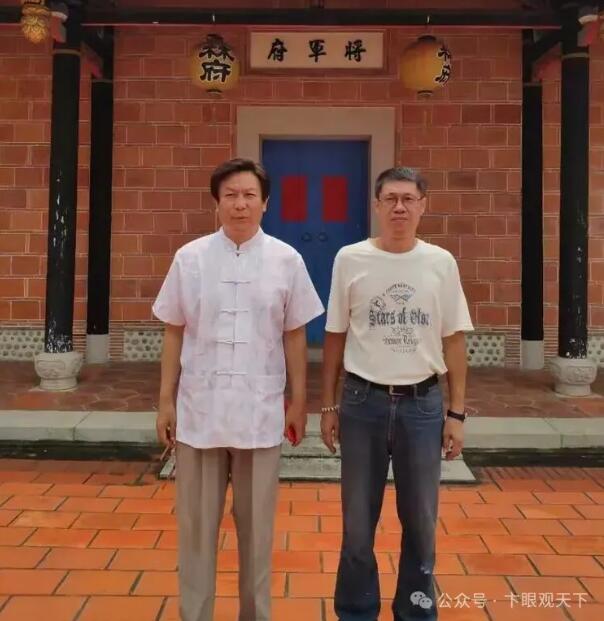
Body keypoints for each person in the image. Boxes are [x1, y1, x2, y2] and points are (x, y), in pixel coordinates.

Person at [153, 158, 324, 621]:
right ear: (216, 202)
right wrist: (166, 401)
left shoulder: (287, 260)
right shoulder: (189, 258)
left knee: (257, 531)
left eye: (250, 195)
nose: (240, 204)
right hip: (200, 411)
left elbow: (295, 334)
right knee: (196, 530)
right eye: (230, 195)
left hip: (259, 411)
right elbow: (173, 330)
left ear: (265, 203)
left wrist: (299, 401)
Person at [320, 166, 473, 621]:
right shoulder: (350, 258)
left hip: (422, 407)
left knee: (421, 521)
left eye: (409, 199)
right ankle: (356, 610)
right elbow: (334, 335)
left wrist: (456, 413)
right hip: (361, 403)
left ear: (424, 205)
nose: (400, 207)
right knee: (357, 523)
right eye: (390, 199)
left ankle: (416, 610)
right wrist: (328, 405)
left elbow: (454, 340)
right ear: (376, 205)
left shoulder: (440, 263)